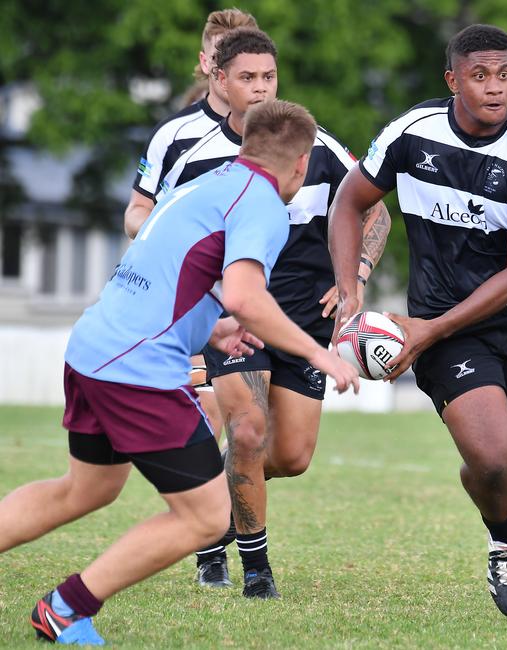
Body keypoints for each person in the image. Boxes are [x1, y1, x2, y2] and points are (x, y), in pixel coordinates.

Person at [0, 100, 359, 646]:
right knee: (206, 518)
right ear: (302, 164)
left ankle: (65, 607)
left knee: (84, 490)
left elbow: (167, 263)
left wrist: (213, 327)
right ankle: (65, 609)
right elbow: (246, 296)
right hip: (136, 370)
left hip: (94, 347)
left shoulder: (208, 181)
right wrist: (318, 353)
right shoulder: (262, 204)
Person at [329, 24, 507, 626]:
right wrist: (351, 289)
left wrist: (427, 331)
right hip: (446, 327)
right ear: (453, 79)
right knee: (496, 461)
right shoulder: (410, 134)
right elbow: (351, 202)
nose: (495, 88)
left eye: (504, 75)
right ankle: (505, 536)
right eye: (480, 75)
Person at [157, 26, 391, 598]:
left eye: (269, 77)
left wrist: (354, 278)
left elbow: (375, 215)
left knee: (287, 456)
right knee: (248, 429)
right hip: (234, 320)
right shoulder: (191, 150)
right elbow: (155, 229)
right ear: (219, 78)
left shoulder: (316, 145)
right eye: (248, 78)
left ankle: (211, 510)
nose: (260, 89)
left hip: (305, 318)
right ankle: (256, 572)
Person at [124, 8, 258, 447]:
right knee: (210, 411)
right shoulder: (176, 134)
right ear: (207, 65)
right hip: (192, 298)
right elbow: (136, 213)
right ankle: (199, 512)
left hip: (257, 301)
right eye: (224, 59)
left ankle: (211, 507)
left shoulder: (284, 135)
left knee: (272, 446)